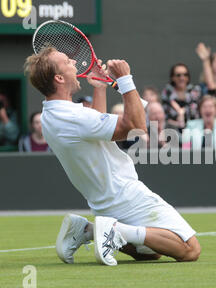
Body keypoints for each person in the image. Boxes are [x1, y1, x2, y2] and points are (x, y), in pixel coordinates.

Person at [24, 47, 200, 266]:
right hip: (126, 195)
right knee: (189, 249)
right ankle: (113, 229)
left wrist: (100, 88)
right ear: (59, 78)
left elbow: (98, 132)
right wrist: (126, 79)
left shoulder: (51, 115)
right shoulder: (74, 116)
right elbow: (136, 127)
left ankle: (89, 230)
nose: (74, 63)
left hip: (102, 205)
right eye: (67, 62)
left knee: (151, 252)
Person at [161, 63, 202, 131]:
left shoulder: (195, 91)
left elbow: (197, 113)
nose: (182, 78)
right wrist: (179, 124)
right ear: (173, 77)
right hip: (172, 130)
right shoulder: (167, 92)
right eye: (178, 75)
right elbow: (165, 116)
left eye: (185, 75)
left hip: (194, 129)